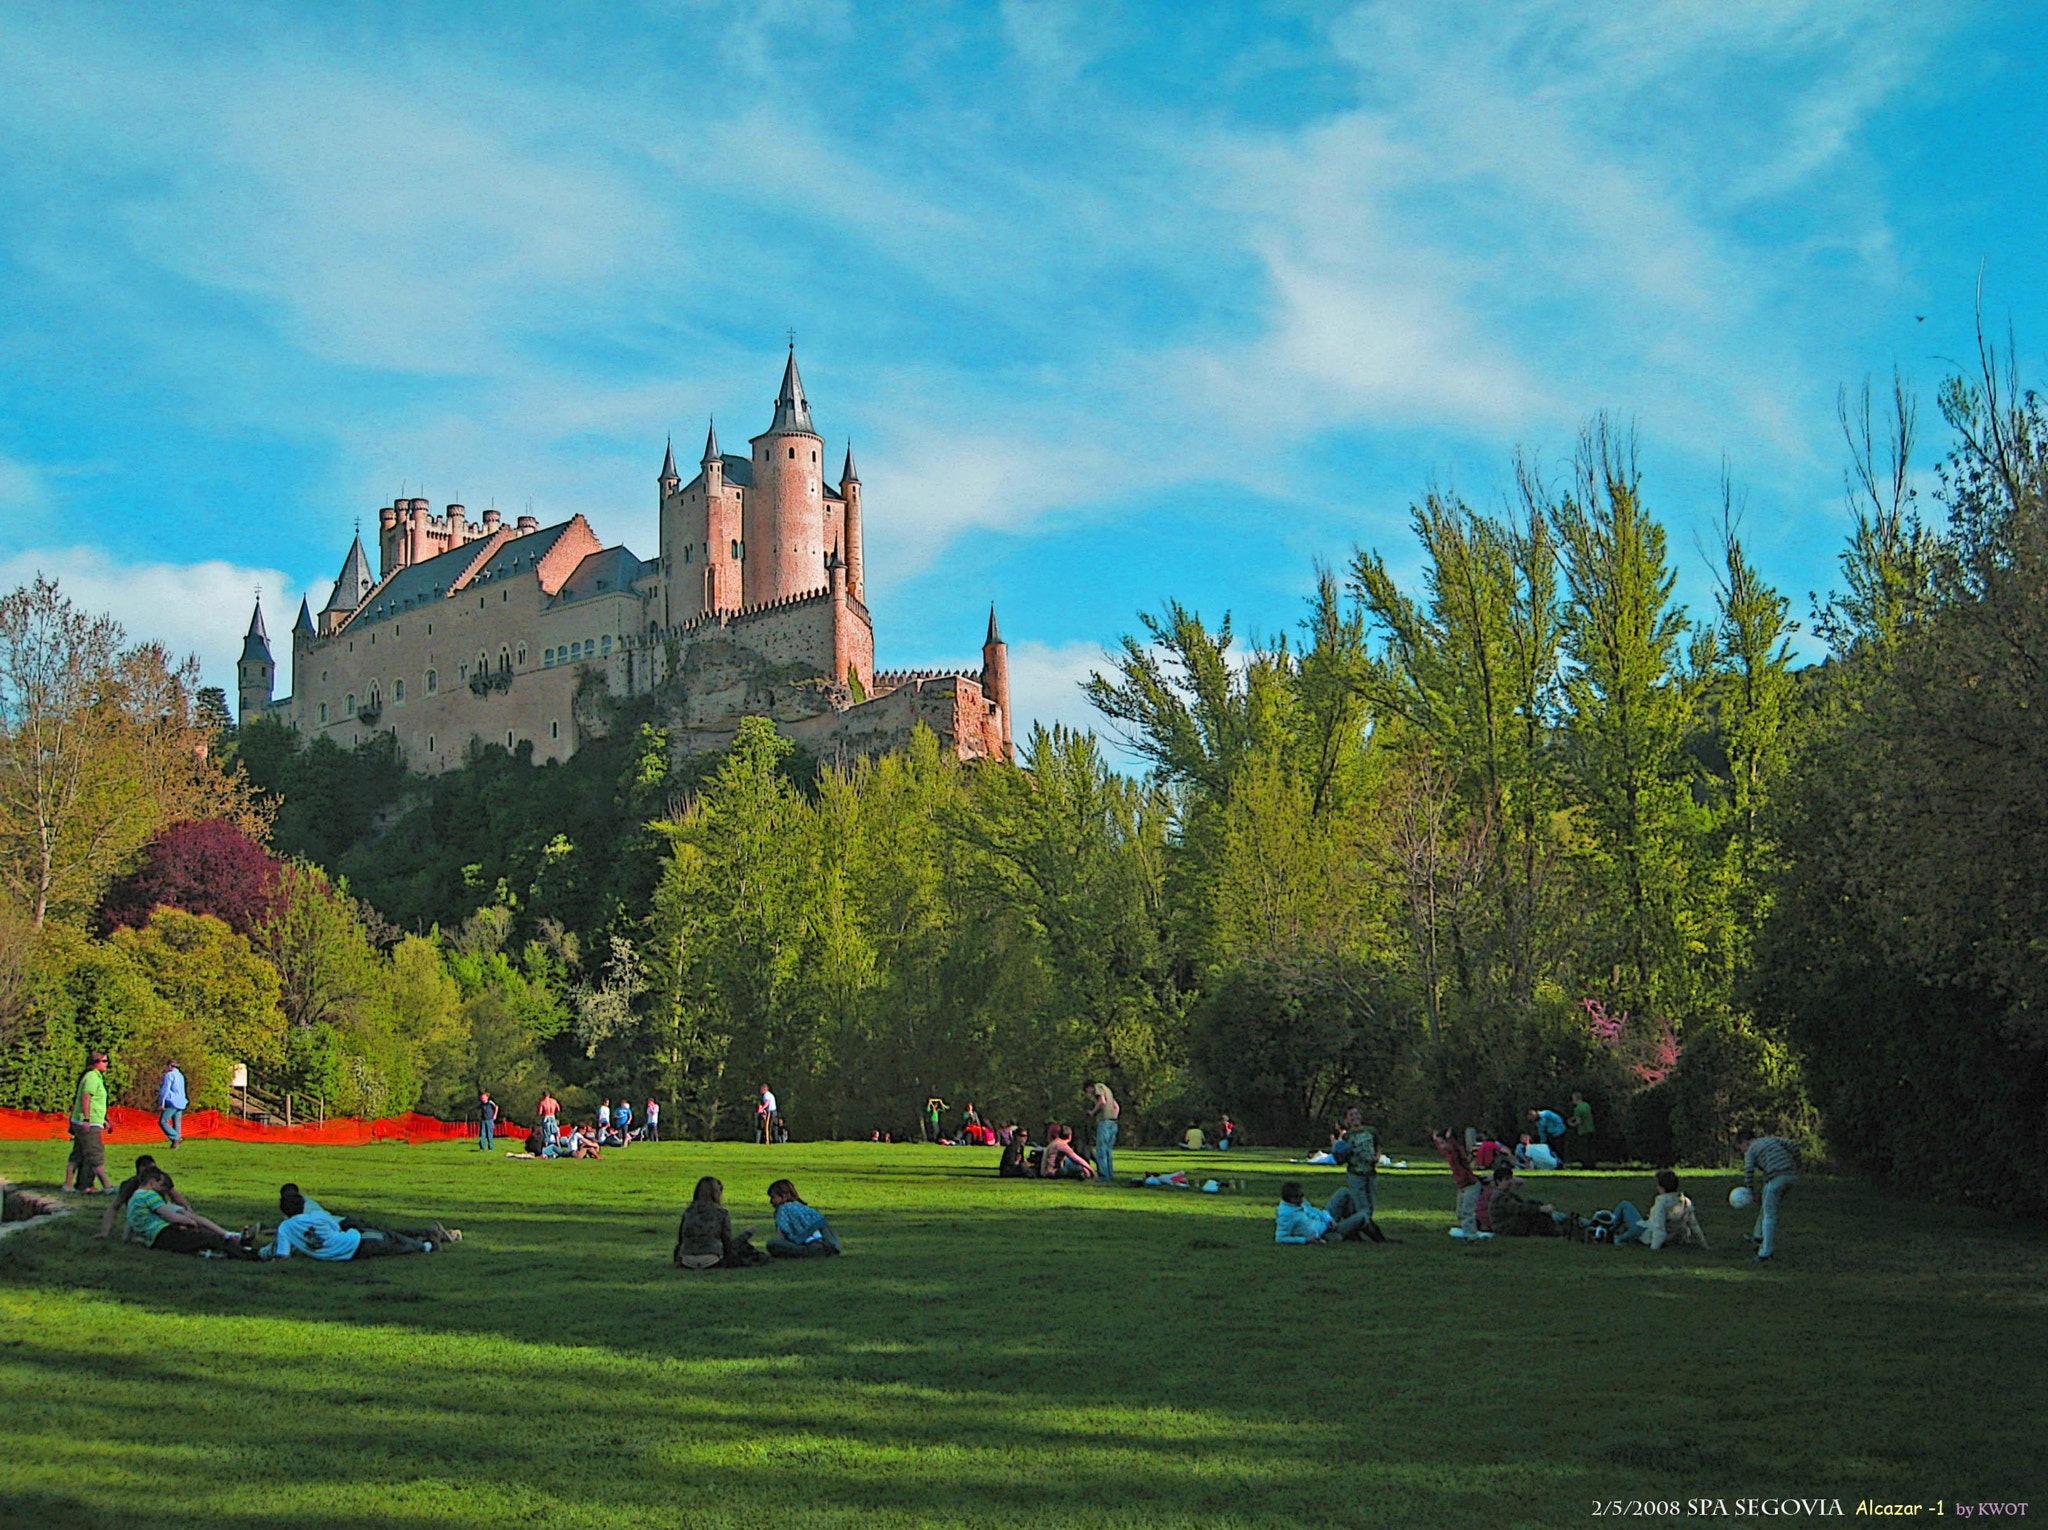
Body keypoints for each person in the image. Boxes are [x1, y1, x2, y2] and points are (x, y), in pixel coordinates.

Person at [265, 1183, 452, 1260]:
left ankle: (427, 1238)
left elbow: (285, 1250)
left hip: (346, 1226)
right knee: (386, 1234)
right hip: (346, 1231)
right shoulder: (309, 1212)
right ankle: (427, 1239)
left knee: (386, 1236)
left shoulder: (288, 1225)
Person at [125, 1166, 260, 1258]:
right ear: (152, 1182)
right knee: (210, 1239)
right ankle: (253, 1255)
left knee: (202, 1242)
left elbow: (130, 1228)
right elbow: (172, 1217)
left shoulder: (133, 1199)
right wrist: (190, 1222)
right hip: (164, 1234)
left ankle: (241, 1246)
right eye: (160, 1184)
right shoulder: (149, 1195)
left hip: (155, 1241)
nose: (160, 1189)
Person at [674, 1176, 766, 1268]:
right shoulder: (721, 1213)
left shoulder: (688, 1211)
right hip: (711, 1259)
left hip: (687, 1259)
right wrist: (747, 1234)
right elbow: (727, 1243)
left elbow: (681, 1239)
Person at [1738, 1129, 1801, 1261]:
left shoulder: (1751, 1150)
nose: (1741, 1150)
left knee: (1769, 1213)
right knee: (1767, 1205)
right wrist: (1797, 1163)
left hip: (1776, 1177)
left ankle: (1765, 1252)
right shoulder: (1771, 1139)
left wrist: (1750, 1190)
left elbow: (1748, 1171)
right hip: (1791, 1175)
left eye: (1740, 1146)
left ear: (1744, 1142)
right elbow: (1793, 1144)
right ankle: (1758, 1235)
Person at [101, 1154, 196, 1239]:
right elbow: (114, 1207)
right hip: (140, 1216)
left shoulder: (162, 1178)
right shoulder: (129, 1185)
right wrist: (104, 1232)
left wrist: (187, 1207)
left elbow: (175, 1195)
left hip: (161, 1210)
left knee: (184, 1214)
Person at [1614, 1169, 1709, 1251]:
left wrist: (1654, 1247)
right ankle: (1616, 1231)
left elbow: (1659, 1227)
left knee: (1625, 1205)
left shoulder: (1662, 1201)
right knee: (1637, 1220)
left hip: (1648, 1233)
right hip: (1671, 1235)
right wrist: (1704, 1244)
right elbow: (1694, 1225)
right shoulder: (1684, 1200)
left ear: (1662, 1188)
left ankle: (1610, 1229)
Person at [1274, 1180, 1385, 1244]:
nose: (1302, 1198)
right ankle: (1380, 1240)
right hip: (1324, 1234)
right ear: (1290, 1198)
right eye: (1299, 1197)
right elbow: (1281, 1238)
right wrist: (1305, 1240)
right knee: (1363, 1217)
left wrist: (1328, 1219)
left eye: (1302, 1195)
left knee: (1344, 1192)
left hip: (1326, 1221)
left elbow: (1315, 1210)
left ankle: (1353, 1233)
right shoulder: (1286, 1215)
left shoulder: (1300, 1202)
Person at [65, 1050, 111, 1193]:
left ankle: (74, 1185)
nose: (107, 1064)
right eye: (104, 1061)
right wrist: (86, 1119)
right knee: (95, 1153)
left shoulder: (96, 1077)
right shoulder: (91, 1077)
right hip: (88, 1122)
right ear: (96, 1063)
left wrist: (104, 1119)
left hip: (93, 1120)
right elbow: (86, 1098)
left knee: (79, 1153)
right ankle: (107, 1186)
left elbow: (97, 1102)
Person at [1328, 1106, 1381, 1226]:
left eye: (1356, 1114)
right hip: (1355, 1172)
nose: (1355, 1117)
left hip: (1370, 1171)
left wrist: (1376, 1157)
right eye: (1351, 1115)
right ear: (1346, 1120)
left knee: (1371, 1199)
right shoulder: (1347, 1136)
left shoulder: (1371, 1131)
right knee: (1361, 1202)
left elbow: (1377, 1146)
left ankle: (1367, 1224)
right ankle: (1362, 1223)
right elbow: (1340, 1155)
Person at [766, 1179, 842, 1258]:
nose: (771, 1201)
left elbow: (781, 1235)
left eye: (773, 1197)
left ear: (784, 1196)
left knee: (772, 1244)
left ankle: (815, 1251)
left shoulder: (782, 1209)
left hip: (809, 1246)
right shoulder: (804, 1207)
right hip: (830, 1242)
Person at [1433, 1127, 1482, 1237]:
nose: (1441, 1146)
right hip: (1462, 1186)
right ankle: (1468, 1231)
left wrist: (1449, 1138)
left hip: (1471, 1184)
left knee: (1466, 1212)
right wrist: (1436, 1139)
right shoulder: (1449, 1153)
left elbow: (1454, 1147)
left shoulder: (1457, 1151)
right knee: (1460, 1213)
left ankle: (1470, 1236)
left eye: (1443, 1143)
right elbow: (1443, 1150)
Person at [1084, 1080, 1119, 1182]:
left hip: (1104, 1121)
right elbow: (1116, 1106)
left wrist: (1092, 1112)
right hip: (1113, 1122)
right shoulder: (1109, 1091)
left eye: (1088, 1091)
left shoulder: (1098, 1087)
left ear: (1090, 1087)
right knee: (1108, 1150)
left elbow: (1102, 1101)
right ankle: (1109, 1174)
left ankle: (1103, 1176)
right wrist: (1113, 1118)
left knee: (1101, 1150)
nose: (1089, 1093)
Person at [158, 1059, 187, 1148]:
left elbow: (165, 1089)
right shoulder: (181, 1075)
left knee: (163, 1121)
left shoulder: (169, 1075)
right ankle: (175, 1146)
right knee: (176, 1124)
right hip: (182, 1102)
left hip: (172, 1102)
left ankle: (176, 1137)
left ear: (170, 1066)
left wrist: (161, 1103)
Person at [1570, 1090, 1596, 1169]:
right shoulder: (1586, 1105)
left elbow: (1579, 1121)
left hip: (1583, 1131)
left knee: (1584, 1150)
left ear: (1576, 1099)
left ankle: (1586, 1165)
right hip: (1591, 1129)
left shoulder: (1577, 1109)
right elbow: (1584, 1116)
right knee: (1590, 1148)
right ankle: (1592, 1164)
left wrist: (1571, 1124)